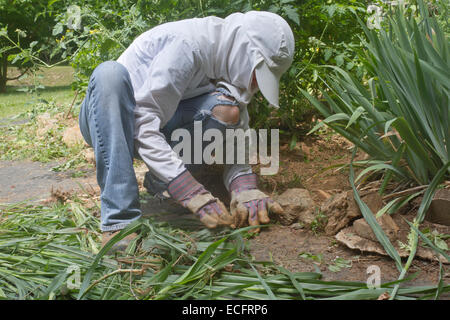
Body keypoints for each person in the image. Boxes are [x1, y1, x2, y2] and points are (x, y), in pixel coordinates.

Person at [78, 11, 295, 249]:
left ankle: (162, 185)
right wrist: (188, 189)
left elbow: (236, 126)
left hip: (160, 123)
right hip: (108, 121)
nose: (255, 85)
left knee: (227, 109)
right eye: (257, 75)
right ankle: (120, 222)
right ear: (247, 52)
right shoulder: (188, 47)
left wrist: (244, 185)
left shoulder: (229, 61)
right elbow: (142, 122)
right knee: (109, 74)